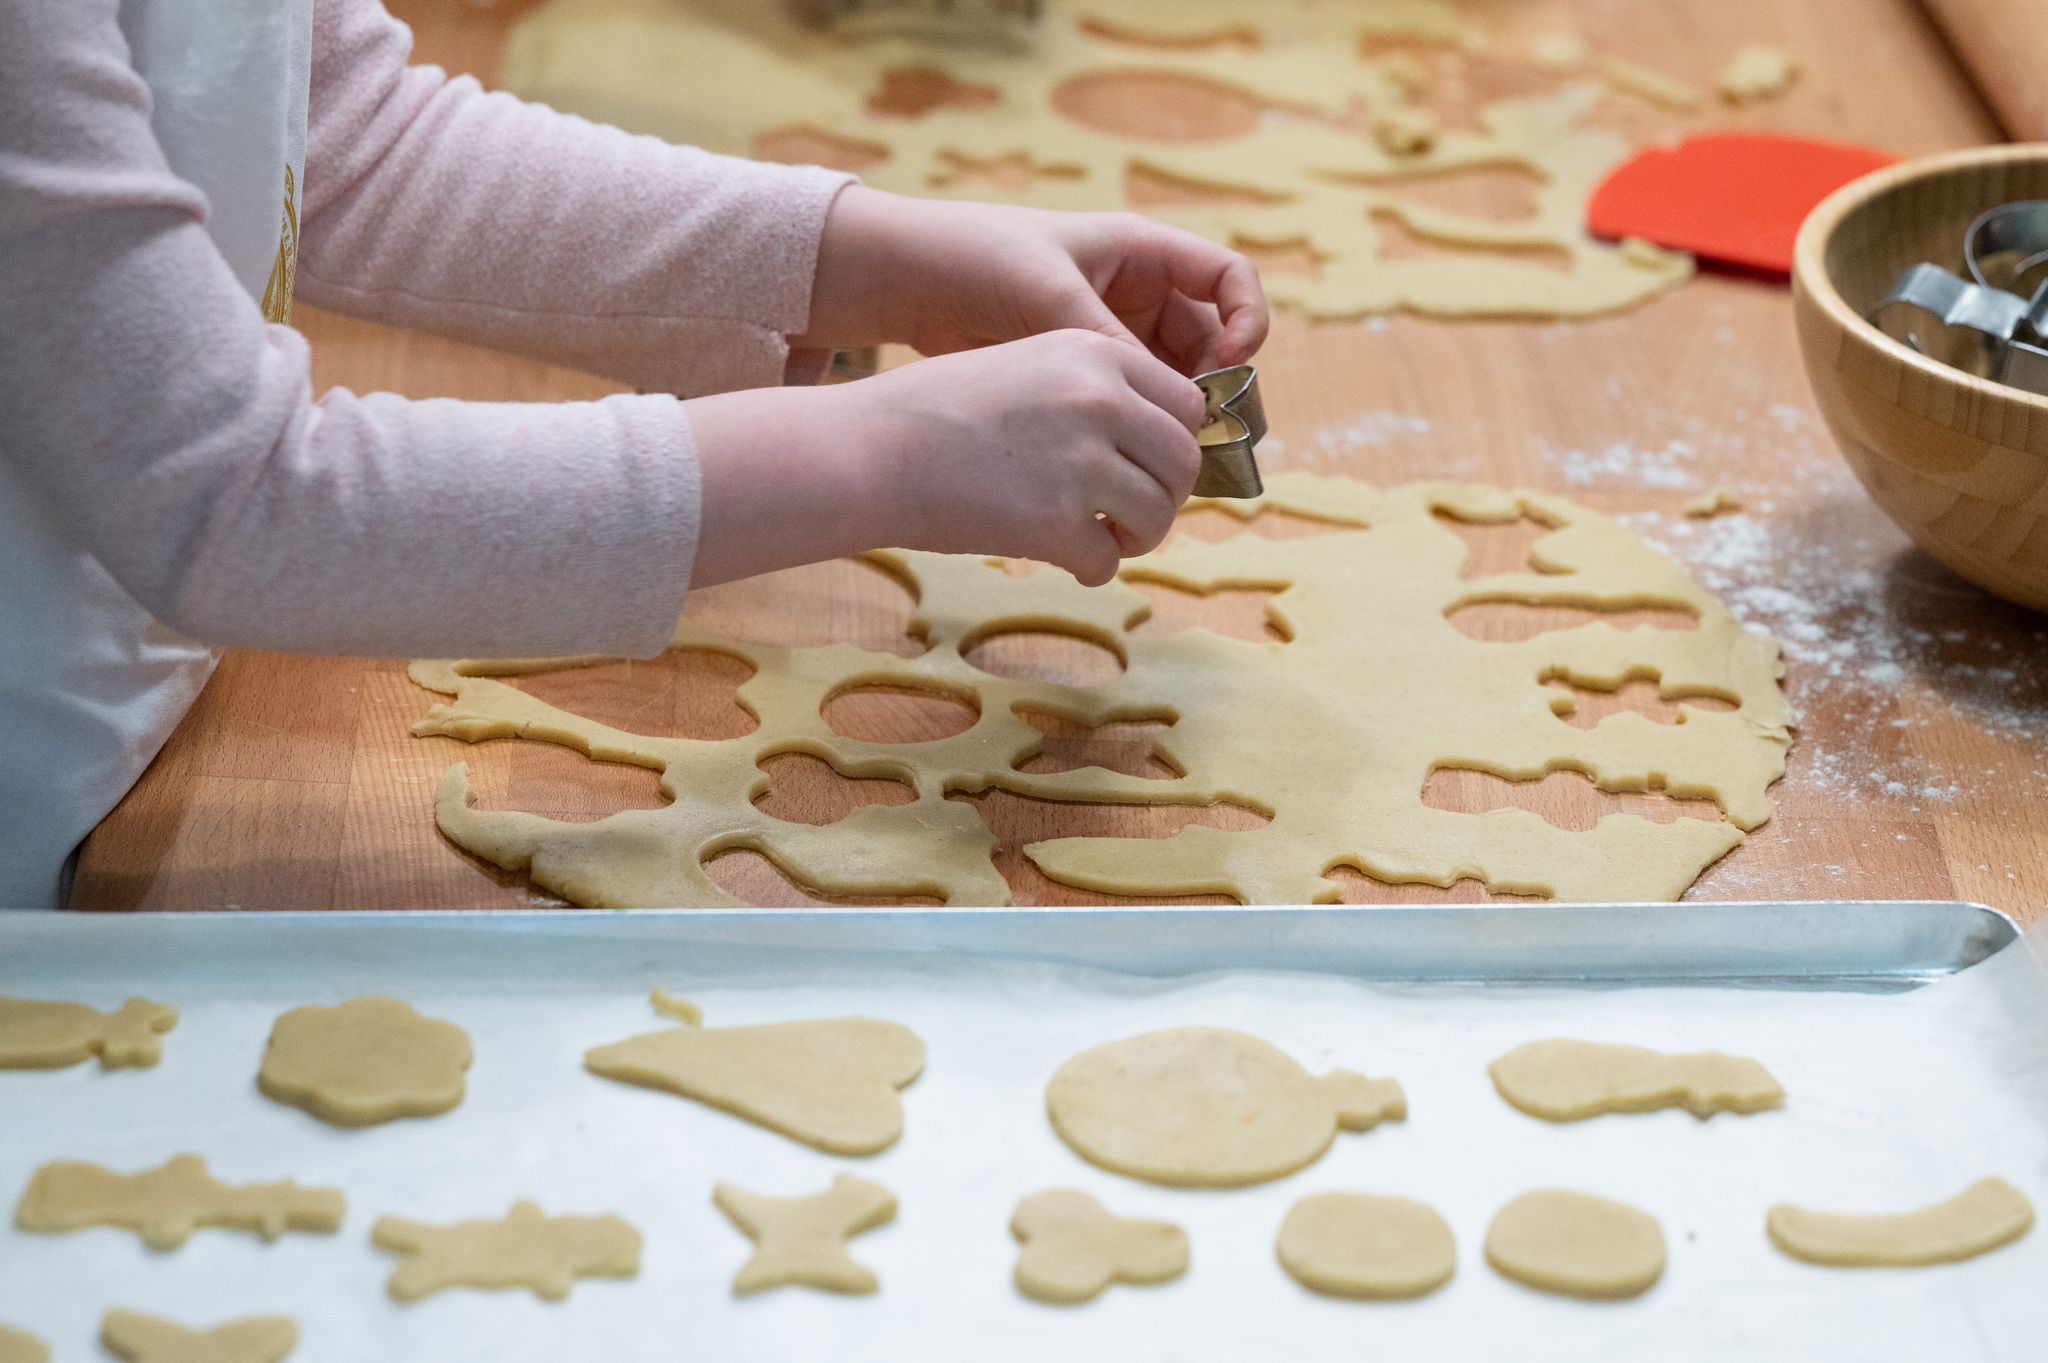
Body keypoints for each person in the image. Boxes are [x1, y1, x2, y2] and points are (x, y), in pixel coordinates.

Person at [0, 0, 1269, 909]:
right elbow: (236, 502)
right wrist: (892, 452)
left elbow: (341, 128)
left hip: (128, 753)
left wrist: (874, 262)